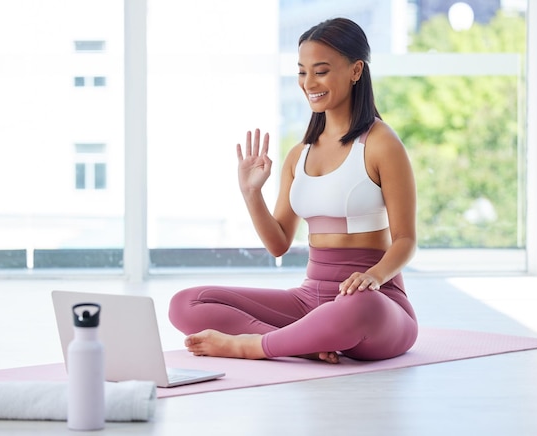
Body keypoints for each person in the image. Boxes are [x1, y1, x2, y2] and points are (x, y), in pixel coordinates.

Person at [168, 17, 418, 364]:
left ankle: (252, 346)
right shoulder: (299, 154)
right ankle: (303, 341)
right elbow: (279, 243)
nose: (309, 83)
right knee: (186, 303)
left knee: (357, 307)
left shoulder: (380, 144)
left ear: (356, 70)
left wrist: (372, 277)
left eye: (321, 70)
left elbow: (406, 240)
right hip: (308, 301)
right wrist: (251, 194)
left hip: (376, 304)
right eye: (302, 72)